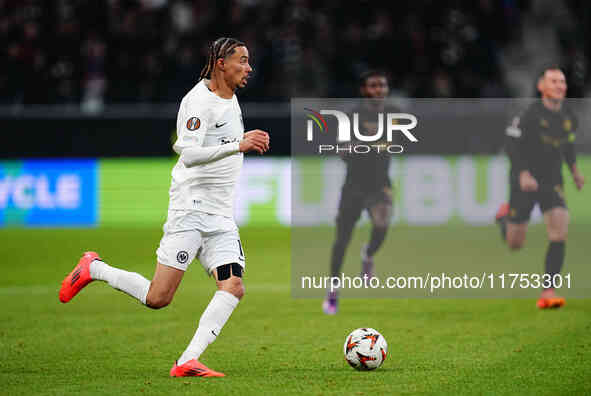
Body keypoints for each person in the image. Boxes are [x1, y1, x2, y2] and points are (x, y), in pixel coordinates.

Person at [58, 37, 270, 377]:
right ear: (221, 64)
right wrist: (238, 144)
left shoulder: (230, 98)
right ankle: (93, 268)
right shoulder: (198, 101)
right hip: (190, 210)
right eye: (242, 61)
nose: (249, 67)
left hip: (220, 216)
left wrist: (237, 145)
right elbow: (185, 152)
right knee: (158, 298)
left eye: (248, 61)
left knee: (233, 286)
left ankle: (187, 360)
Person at [496, 66, 584, 309]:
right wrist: (523, 173)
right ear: (541, 87)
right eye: (554, 81)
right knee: (515, 243)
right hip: (523, 181)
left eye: (562, 81)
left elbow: (567, 146)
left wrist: (575, 171)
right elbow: (511, 146)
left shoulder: (569, 116)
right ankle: (504, 218)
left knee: (559, 232)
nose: (560, 86)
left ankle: (548, 291)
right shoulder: (527, 114)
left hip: (552, 180)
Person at [322, 70, 396, 315]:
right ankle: (332, 292)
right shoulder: (351, 116)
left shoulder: (392, 115)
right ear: (364, 90)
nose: (379, 90)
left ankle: (368, 254)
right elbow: (342, 151)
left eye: (382, 85)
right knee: (341, 241)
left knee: (382, 225)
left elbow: (392, 146)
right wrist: (351, 148)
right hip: (354, 186)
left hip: (380, 185)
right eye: (373, 86)